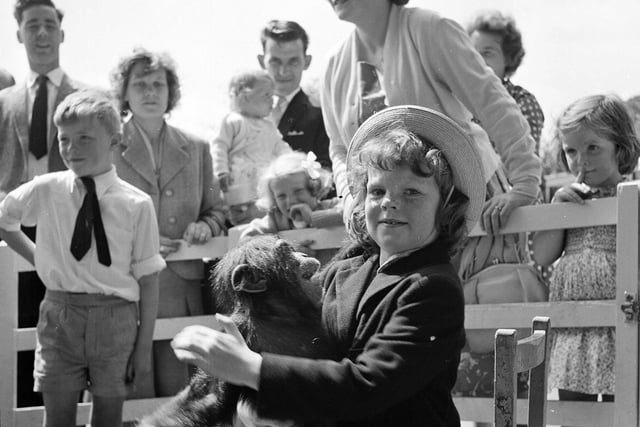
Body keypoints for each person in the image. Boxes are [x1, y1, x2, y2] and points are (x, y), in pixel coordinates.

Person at [171, 106, 487, 427]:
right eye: (377, 191)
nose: (390, 202)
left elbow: (367, 385)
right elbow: (294, 319)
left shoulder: (432, 288)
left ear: (446, 205)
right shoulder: (354, 263)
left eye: (412, 192)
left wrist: (251, 368)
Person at [0, 89, 165, 427]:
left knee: (107, 418)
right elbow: (5, 220)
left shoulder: (136, 204)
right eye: (64, 139)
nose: (72, 149)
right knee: (57, 418)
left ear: (115, 141)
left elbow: (149, 280)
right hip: (60, 316)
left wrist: (144, 347)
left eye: (85, 138)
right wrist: (42, 261)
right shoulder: (46, 189)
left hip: (115, 320)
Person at [110, 48, 227, 398]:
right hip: (126, 293)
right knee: (132, 399)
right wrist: (140, 241)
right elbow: (93, 219)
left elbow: (217, 210)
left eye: (158, 84)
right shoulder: (107, 146)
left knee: (185, 401)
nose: (150, 92)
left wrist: (206, 226)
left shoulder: (197, 147)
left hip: (182, 292)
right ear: (125, 93)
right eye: (140, 84)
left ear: (170, 92)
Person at [532, 94, 640, 406]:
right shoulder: (571, 201)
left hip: (619, 323)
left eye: (593, 147)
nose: (581, 160)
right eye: (571, 151)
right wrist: (558, 212)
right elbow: (542, 255)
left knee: (620, 405)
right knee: (572, 406)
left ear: (619, 148)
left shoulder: (631, 198)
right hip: (574, 326)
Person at [0, 0, 83, 407]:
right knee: (16, 325)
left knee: (67, 331)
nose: (42, 34)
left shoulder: (85, 97)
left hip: (66, 232)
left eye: (49, 25)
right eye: (32, 25)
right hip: (11, 235)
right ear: (19, 34)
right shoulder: (3, 101)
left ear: (61, 33)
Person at [211, 69, 292, 226]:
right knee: (240, 218)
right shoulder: (232, 121)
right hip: (240, 181)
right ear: (245, 95)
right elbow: (219, 146)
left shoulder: (269, 126)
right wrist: (221, 171)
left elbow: (281, 148)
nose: (272, 101)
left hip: (263, 180)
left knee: (264, 209)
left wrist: (293, 163)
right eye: (266, 95)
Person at [240, 151, 343, 264]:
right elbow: (246, 242)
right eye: (281, 196)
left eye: (298, 191)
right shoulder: (276, 219)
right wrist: (283, 253)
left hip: (335, 277)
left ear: (314, 187)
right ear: (274, 200)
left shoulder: (329, 206)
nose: (291, 201)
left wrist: (313, 217)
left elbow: (351, 213)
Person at [467, 10, 545, 152]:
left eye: (487, 53)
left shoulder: (522, 101)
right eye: (472, 54)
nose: (478, 60)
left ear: (508, 58)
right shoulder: (458, 102)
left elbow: (523, 157)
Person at [258, 19, 331, 169]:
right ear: (261, 61)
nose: (283, 71)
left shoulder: (321, 115)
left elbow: (326, 171)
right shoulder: (246, 111)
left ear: (307, 61)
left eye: (293, 62)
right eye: (275, 62)